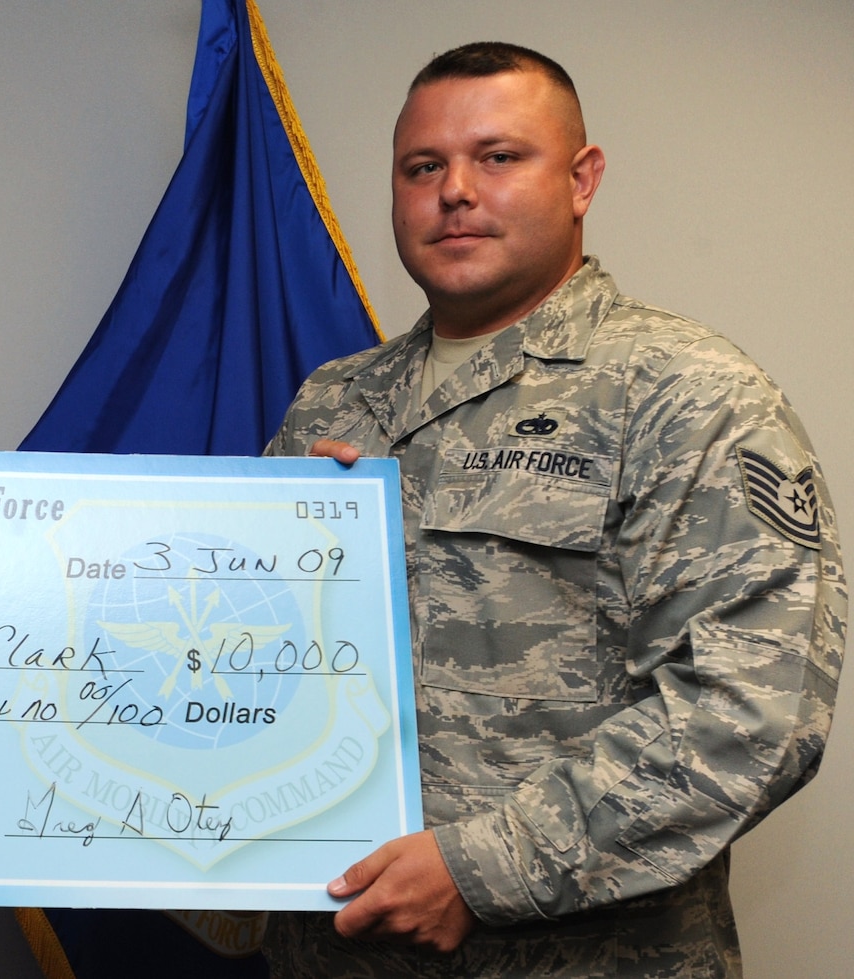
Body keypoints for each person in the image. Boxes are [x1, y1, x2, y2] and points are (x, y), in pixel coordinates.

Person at [264, 42, 843, 976]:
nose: (454, 189)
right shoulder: (334, 403)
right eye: (423, 167)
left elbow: (750, 712)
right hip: (331, 955)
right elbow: (238, 659)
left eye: (498, 157)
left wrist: (480, 868)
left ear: (582, 180)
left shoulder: (689, 397)